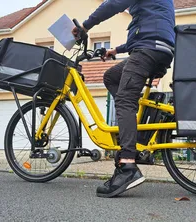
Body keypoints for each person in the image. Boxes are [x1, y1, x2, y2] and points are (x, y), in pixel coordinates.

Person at [72, 0, 175, 198]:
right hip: (157, 48)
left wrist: (84, 26)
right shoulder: (154, 12)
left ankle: (128, 166)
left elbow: (114, 4)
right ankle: (131, 128)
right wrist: (116, 51)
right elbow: (149, 30)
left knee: (124, 101)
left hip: (148, 50)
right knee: (111, 77)